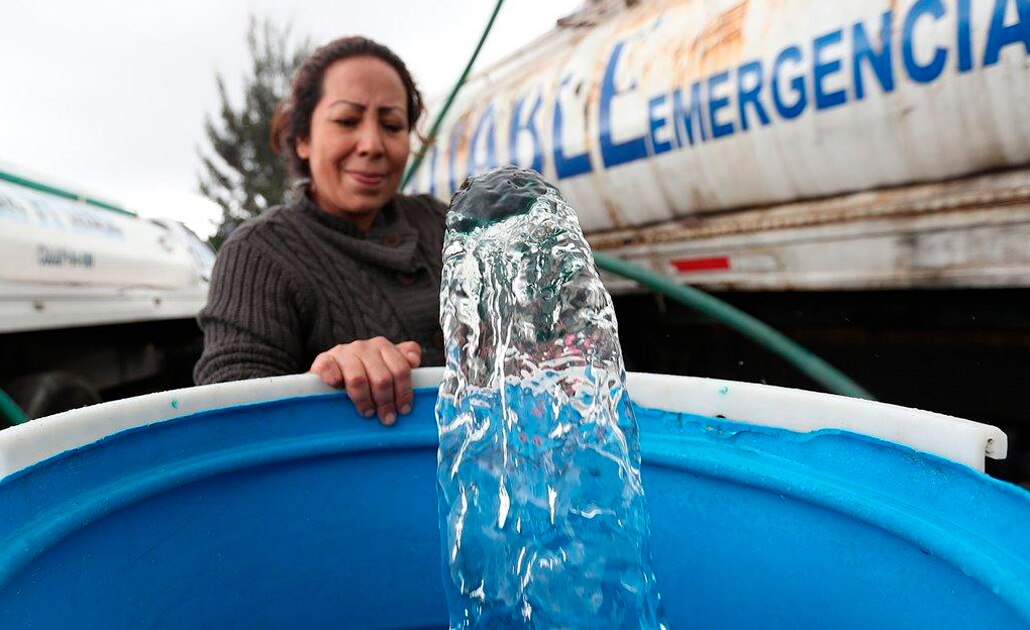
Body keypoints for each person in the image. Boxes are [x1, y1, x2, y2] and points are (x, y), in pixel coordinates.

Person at [194, 36, 447, 427]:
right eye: (347, 121)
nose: (372, 144)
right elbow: (230, 414)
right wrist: (322, 379)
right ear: (303, 140)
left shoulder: (444, 224)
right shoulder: (258, 253)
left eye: (392, 125)